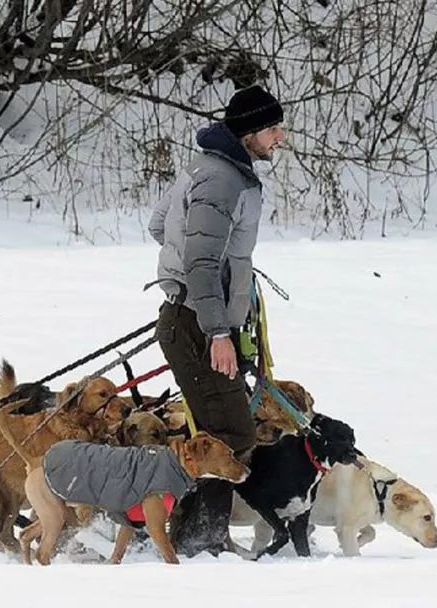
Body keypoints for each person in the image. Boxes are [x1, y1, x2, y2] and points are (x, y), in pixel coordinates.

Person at [146, 84, 286, 557]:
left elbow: (158, 223)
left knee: (221, 427)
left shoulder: (209, 167)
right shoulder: (222, 179)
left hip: (191, 316)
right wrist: (217, 330)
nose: (279, 137)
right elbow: (202, 260)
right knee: (231, 432)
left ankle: (193, 530)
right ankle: (199, 538)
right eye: (271, 128)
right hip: (196, 325)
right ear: (248, 131)